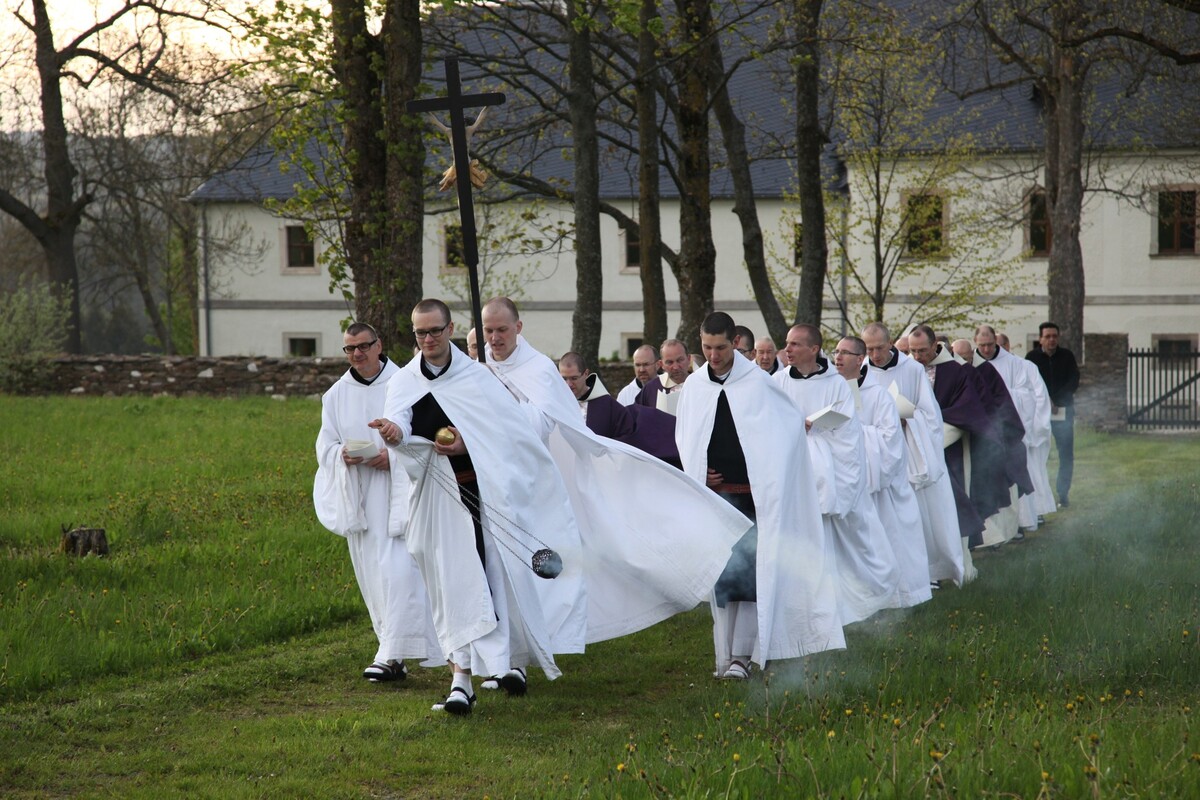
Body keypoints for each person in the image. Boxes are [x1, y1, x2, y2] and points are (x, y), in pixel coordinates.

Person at [480, 297, 751, 646]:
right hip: (488, 484)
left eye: (502, 329)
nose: (495, 338)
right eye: (489, 331)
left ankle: (526, 650)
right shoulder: (478, 368)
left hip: (534, 483)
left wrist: (502, 403)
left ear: (518, 327)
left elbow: (544, 425)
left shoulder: (538, 371)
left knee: (534, 564)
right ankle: (500, 652)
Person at [370, 300, 588, 715]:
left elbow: (511, 435)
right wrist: (394, 432)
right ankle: (462, 678)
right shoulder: (403, 382)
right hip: (435, 503)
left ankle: (475, 675)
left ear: (451, 328)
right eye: (420, 333)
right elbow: (397, 426)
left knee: (484, 584)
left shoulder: (478, 378)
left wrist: (468, 444)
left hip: (481, 499)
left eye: (436, 331)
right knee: (447, 587)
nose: (429, 339)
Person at [675, 312, 845, 680]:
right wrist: (698, 468)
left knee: (751, 576)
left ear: (735, 341)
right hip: (717, 497)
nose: (714, 355)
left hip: (754, 497)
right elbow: (686, 437)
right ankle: (725, 656)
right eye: (706, 348)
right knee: (723, 578)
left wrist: (762, 474)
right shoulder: (694, 386)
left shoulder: (760, 383)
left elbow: (785, 433)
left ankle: (743, 656)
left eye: (720, 347)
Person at [313, 322, 443, 682]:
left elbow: (432, 434)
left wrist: (396, 457)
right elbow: (324, 447)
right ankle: (392, 653)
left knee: (400, 571)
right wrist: (343, 455)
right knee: (374, 575)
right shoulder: (336, 395)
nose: (357, 354)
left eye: (364, 346)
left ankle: (391, 654)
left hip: (403, 494)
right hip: (363, 496)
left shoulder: (407, 383)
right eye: (350, 348)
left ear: (379, 345)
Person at [775, 324, 900, 624]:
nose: (788, 349)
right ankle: (802, 605)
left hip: (828, 475)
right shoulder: (778, 382)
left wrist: (812, 433)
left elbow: (847, 434)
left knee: (840, 543)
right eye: (787, 343)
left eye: (795, 344)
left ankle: (844, 603)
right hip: (792, 472)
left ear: (814, 349)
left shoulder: (837, 385)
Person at [861, 322, 967, 586]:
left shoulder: (912, 369)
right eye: (869, 349)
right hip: (875, 453)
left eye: (879, 348)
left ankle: (926, 572)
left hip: (909, 449)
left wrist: (908, 419)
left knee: (916, 514)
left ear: (891, 344)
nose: (874, 355)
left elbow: (930, 415)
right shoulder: (860, 370)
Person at [834, 336, 932, 608]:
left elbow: (890, 441)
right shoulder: (831, 389)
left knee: (890, 541)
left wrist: (851, 436)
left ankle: (898, 598)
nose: (838, 358)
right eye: (836, 352)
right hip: (843, 483)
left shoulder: (878, 394)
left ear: (858, 358)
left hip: (879, 488)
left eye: (845, 353)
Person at [969, 325, 1035, 544]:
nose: (986, 350)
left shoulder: (1014, 364)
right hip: (980, 435)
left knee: (1008, 478)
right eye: (982, 345)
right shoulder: (969, 366)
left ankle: (1011, 529)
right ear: (975, 343)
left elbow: (1024, 395)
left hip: (1004, 430)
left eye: (990, 345)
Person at [558, 350, 680, 466]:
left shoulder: (604, 404)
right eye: (564, 378)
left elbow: (627, 437)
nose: (569, 384)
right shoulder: (556, 404)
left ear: (585, 374)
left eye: (574, 378)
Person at [999, 332, 1057, 528]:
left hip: (1026, 429)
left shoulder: (1026, 367)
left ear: (1007, 346)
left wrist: (1034, 428)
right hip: (1002, 431)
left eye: (997, 346)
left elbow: (1039, 397)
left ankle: (1036, 510)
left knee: (1032, 472)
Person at [1026, 322, 1079, 507]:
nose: (1051, 340)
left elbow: (1073, 381)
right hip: (1039, 414)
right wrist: (1046, 401)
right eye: (1047, 336)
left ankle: (1062, 492)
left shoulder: (1067, 356)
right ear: (1040, 338)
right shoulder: (1031, 358)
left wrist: (1056, 399)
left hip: (1063, 411)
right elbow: (1029, 384)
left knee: (1065, 454)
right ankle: (1039, 494)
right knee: (1038, 453)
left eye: (1054, 336)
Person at [634, 338, 693, 415]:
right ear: (661, 365)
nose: (675, 367)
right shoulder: (651, 389)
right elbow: (637, 418)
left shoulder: (700, 385)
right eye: (669, 362)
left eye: (680, 360)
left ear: (688, 359)